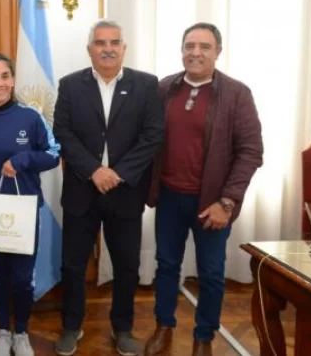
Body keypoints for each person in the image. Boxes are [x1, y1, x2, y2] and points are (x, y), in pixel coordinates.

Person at [144, 22, 263, 356]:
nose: (195, 53)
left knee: (211, 274)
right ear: (181, 50)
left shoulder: (237, 94)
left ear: (218, 52)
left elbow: (251, 151)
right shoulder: (164, 88)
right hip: (169, 196)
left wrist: (227, 202)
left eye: (204, 47)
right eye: (189, 45)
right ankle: (163, 327)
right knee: (166, 266)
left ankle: (203, 337)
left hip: (212, 203)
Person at [52, 19, 165, 356]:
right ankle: (72, 326)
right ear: (90, 49)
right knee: (73, 264)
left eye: (114, 42)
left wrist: (117, 172)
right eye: (100, 43)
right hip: (81, 191)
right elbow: (63, 133)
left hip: (125, 191)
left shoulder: (146, 85)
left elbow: (153, 135)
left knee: (127, 265)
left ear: (124, 48)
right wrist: (93, 171)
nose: (108, 48)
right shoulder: (70, 85)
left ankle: (123, 328)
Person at [0, 53, 61, 356]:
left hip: (24, 212)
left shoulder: (30, 117)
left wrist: (23, 159)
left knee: (22, 278)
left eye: (4, 76)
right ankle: (2, 331)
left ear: (13, 80)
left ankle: (21, 332)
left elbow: (53, 154)